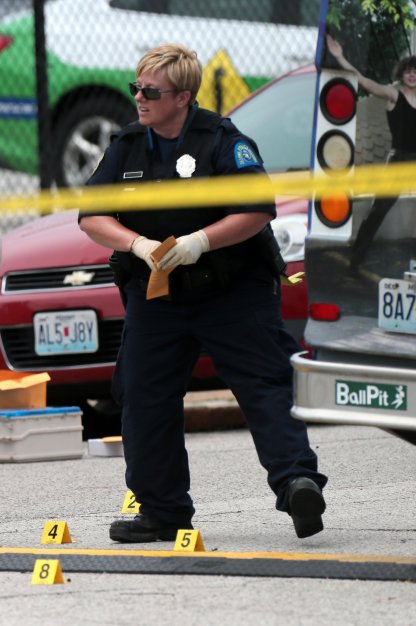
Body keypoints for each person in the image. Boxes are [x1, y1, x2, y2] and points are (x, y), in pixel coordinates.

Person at [78, 43, 328, 542]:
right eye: (136, 88)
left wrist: (200, 242)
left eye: (151, 91)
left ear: (183, 97)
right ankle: (163, 510)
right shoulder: (128, 145)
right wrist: (138, 245)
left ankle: (298, 482)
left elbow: (257, 209)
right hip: (159, 295)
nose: (139, 98)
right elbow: (92, 216)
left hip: (231, 291)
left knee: (265, 384)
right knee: (143, 396)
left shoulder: (223, 141)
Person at [326, 35, 416, 267]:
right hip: (400, 160)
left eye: (415, 71)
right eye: (408, 71)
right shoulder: (393, 95)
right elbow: (364, 82)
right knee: (379, 210)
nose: (412, 74)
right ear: (402, 75)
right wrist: (340, 57)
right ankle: (356, 258)